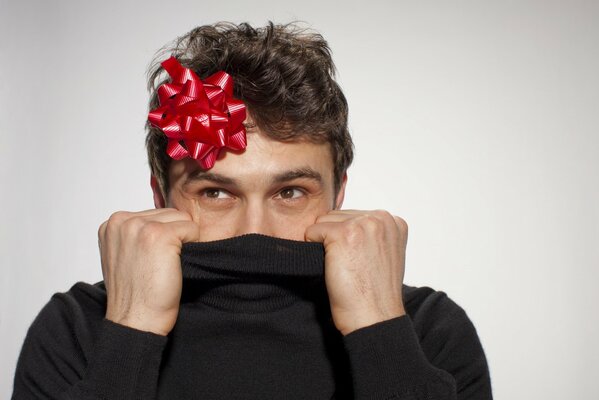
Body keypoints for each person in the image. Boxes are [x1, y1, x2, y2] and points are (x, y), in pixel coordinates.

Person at [12, 22, 492, 400]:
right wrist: (131, 332)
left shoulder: (426, 329)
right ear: (160, 198)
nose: (253, 230)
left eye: (290, 193)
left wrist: (380, 329)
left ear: (338, 195)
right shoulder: (78, 328)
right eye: (216, 194)